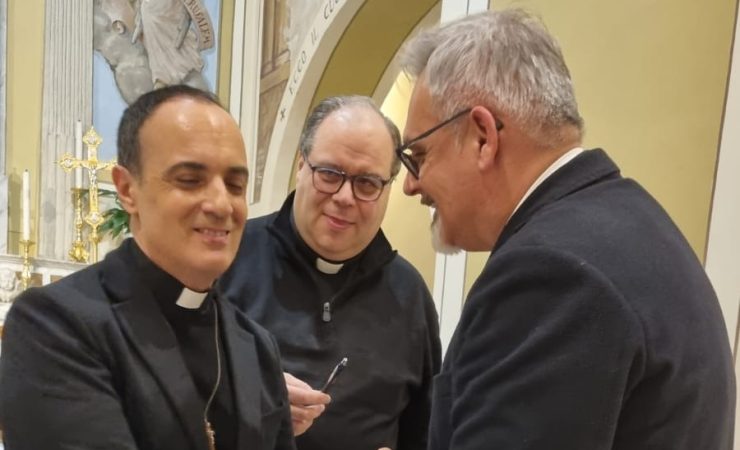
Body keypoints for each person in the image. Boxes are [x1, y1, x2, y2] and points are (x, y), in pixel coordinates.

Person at [395, 9, 735, 450]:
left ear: (482, 136)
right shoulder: (635, 225)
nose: (410, 185)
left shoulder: (549, 274)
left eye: (419, 156)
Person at [0, 85, 295, 450]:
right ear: (127, 189)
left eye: (235, 185)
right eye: (190, 180)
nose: (222, 204)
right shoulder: (56, 325)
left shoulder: (258, 345)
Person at [220, 95, 442, 450]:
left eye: (366, 183)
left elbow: (428, 431)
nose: (344, 197)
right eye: (329, 174)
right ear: (301, 165)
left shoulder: (409, 294)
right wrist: (244, 399)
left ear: (387, 190)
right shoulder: (225, 258)